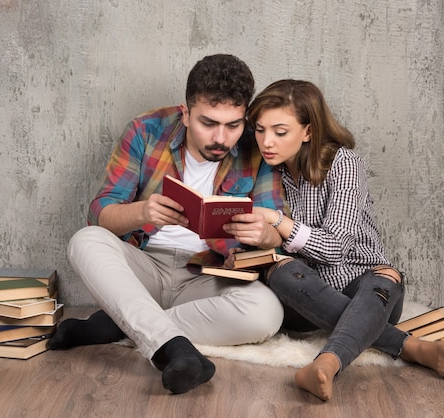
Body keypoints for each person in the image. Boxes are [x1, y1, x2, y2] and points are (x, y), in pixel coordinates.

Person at [49, 54, 286, 394]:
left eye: (233, 125)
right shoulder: (146, 130)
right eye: (208, 123)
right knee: (85, 241)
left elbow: (276, 229)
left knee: (267, 313)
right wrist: (143, 212)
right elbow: (100, 213)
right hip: (144, 267)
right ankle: (173, 349)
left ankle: (122, 324)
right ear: (186, 113)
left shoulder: (256, 146)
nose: (221, 137)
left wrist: (265, 234)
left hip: (207, 276)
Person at [224, 79, 444, 401]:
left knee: (384, 279)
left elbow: (334, 249)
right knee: (283, 272)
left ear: (308, 131)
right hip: (302, 297)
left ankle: (326, 364)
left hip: (366, 285)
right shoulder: (263, 169)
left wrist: (277, 220)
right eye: (260, 130)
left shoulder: (344, 164)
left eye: (280, 131)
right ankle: (409, 346)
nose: (266, 141)